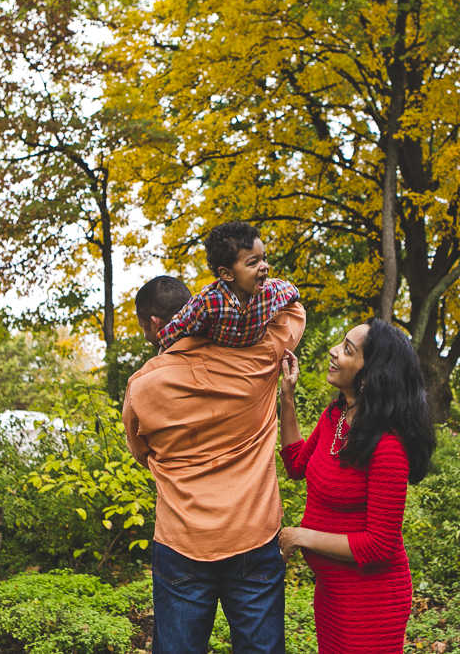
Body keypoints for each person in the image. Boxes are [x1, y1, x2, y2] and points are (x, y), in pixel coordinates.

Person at [124, 274, 306, 654]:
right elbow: (293, 308)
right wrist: (242, 285)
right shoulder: (258, 355)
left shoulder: (141, 387)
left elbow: (142, 454)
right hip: (253, 534)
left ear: (156, 325)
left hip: (182, 540)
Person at [277, 319, 436, 654]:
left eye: (347, 349)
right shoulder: (335, 417)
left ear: (370, 375)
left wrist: (302, 536)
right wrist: (287, 396)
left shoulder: (388, 447)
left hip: (371, 602)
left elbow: (379, 546)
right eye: (341, 343)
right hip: (333, 594)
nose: (334, 352)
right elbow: (296, 465)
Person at [157, 221, 299, 351]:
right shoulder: (208, 303)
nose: (265, 266)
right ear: (227, 274)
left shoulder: (272, 291)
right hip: (216, 356)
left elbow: (292, 292)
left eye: (264, 258)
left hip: (253, 355)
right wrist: (163, 350)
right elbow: (179, 328)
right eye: (253, 263)